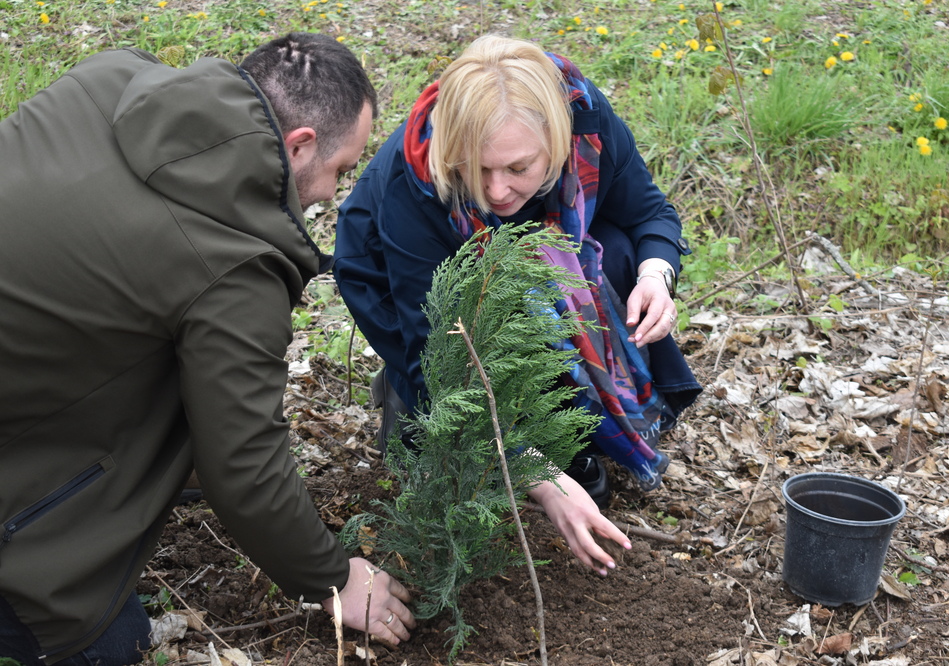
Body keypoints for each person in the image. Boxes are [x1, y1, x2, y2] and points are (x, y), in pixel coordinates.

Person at [0, 33, 414, 665]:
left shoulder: (110, 77)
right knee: (112, 642)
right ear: (300, 145)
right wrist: (335, 579)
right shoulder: (236, 268)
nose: (334, 192)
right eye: (340, 169)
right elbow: (244, 466)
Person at [333, 35, 702, 574]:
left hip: (525, 245)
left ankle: (571, 430)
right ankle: (407, 405)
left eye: (518, 168)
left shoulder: (585, 119)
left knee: (620, 253)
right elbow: (437, 358)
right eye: (476, 168)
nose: (497, 191)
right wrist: (543, 481)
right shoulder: (414, 186)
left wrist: (656, 276)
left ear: (557, 137)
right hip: (393, 272)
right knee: (446, 386)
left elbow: (649, 213)